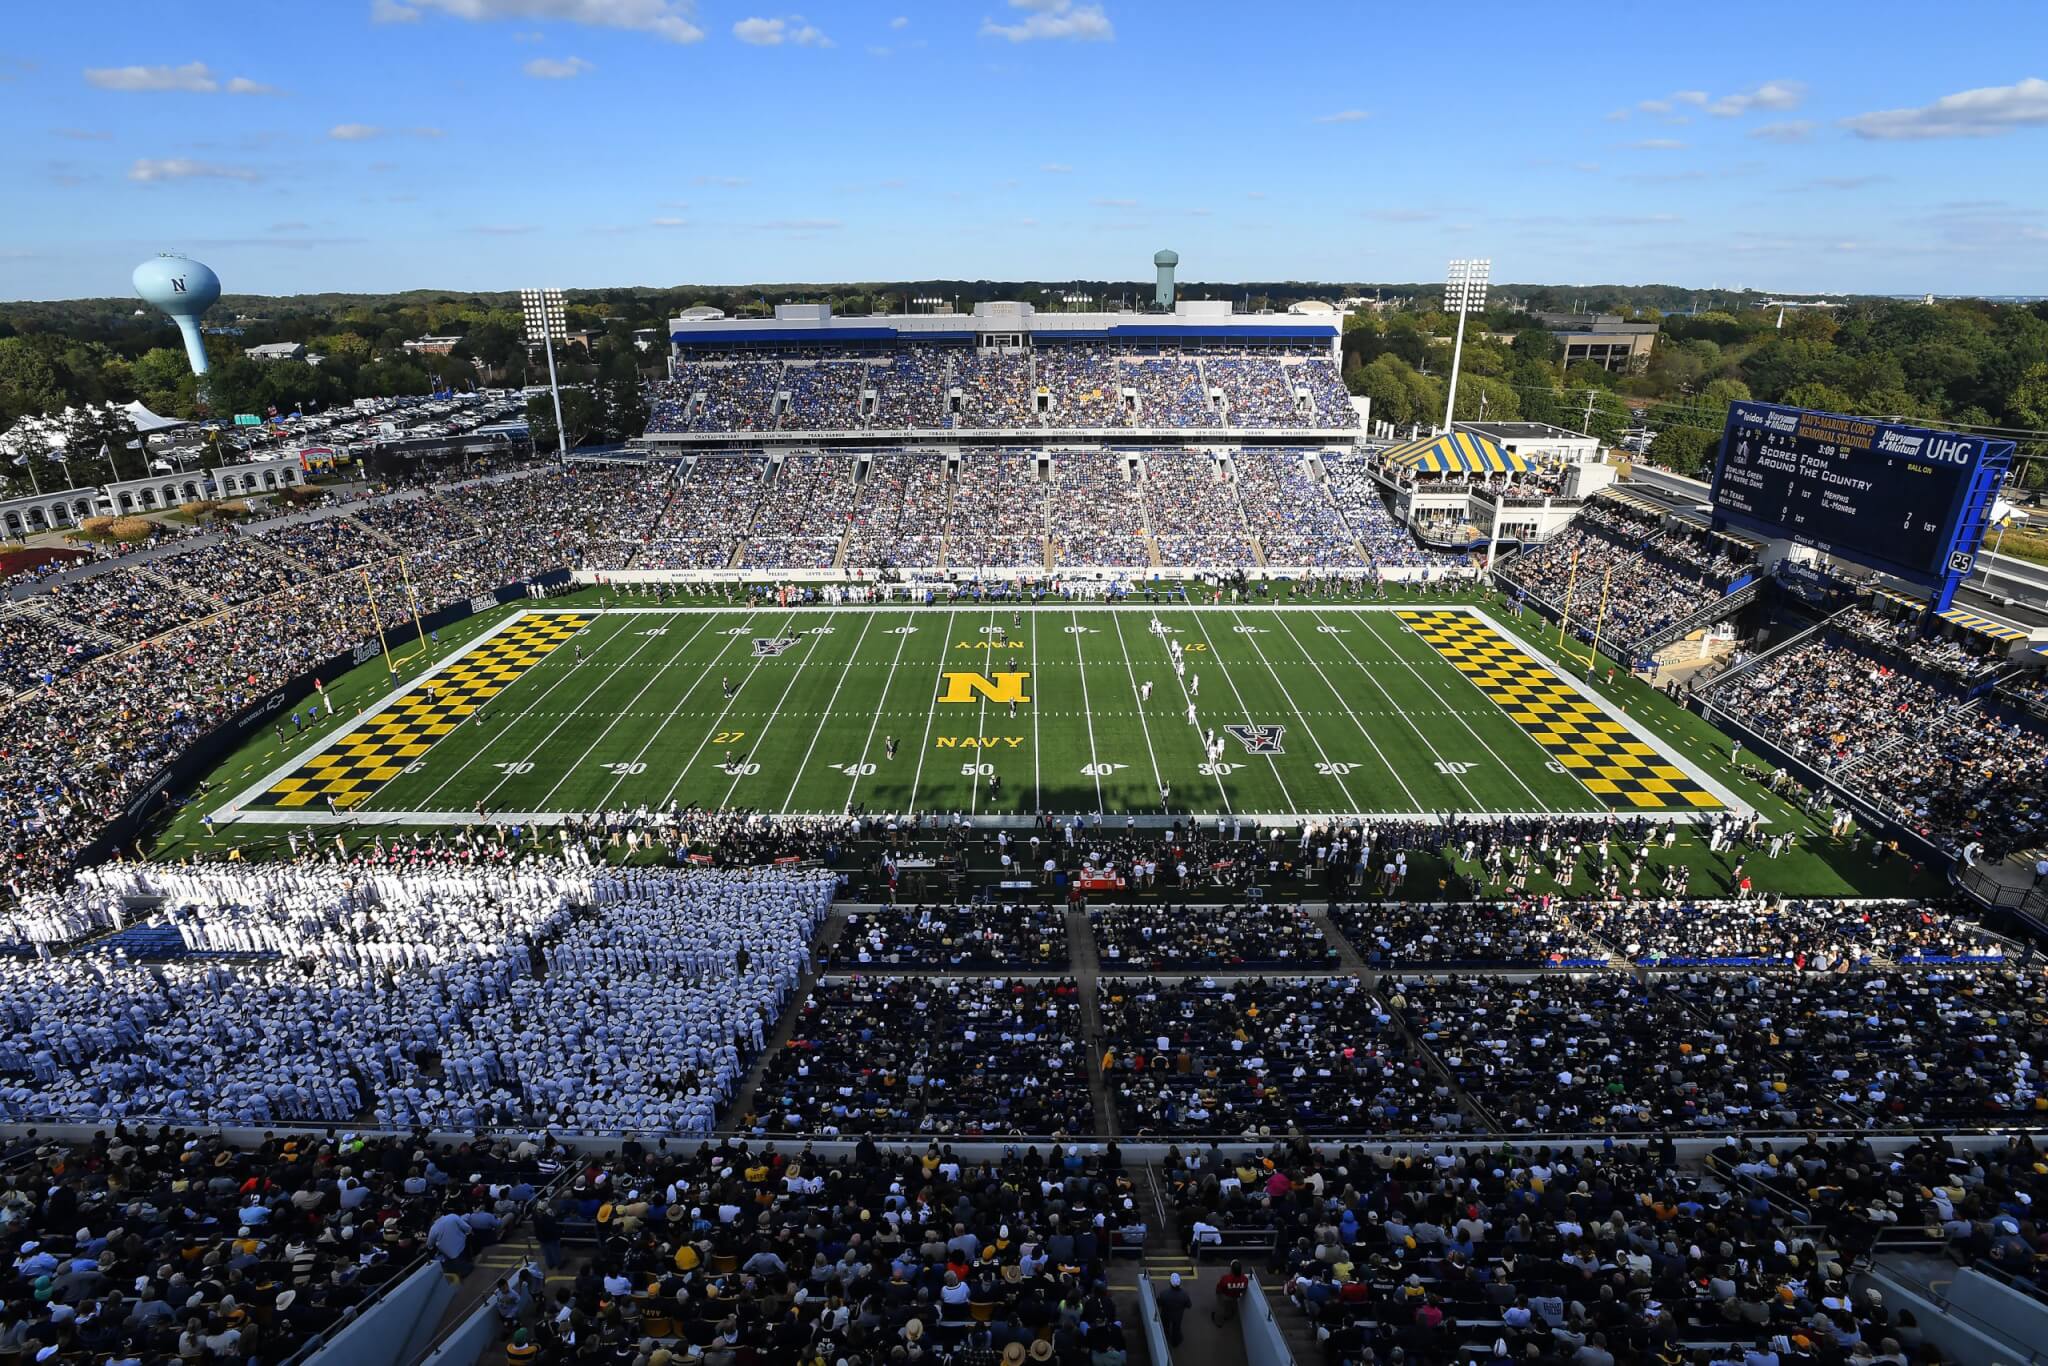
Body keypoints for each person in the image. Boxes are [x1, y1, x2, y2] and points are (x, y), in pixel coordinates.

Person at [1155, 1272, 1192, 1347]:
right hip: (1178, 1316)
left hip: (1166, 1315)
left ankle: (1165, 1338)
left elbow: (1158, 1303)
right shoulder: (1184, 1294)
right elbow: (1189, 1305)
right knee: (1176, 1328)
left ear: (1170, 1282)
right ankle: (1175, 1342)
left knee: (1165, 1327)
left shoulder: (1164, 1294)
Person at [1213, 1259, 1247, 1325]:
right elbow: (1244, 1289)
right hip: (1235, 1296)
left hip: (1225, 1296)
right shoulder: (1245, 1279)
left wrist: (1218, 1294)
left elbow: (1219, 1288)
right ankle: (1230, 1315)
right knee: (1231, 1306)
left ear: (1232, 1270)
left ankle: (1221, 1319)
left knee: (1222, 1306)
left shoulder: (1225, 1278)